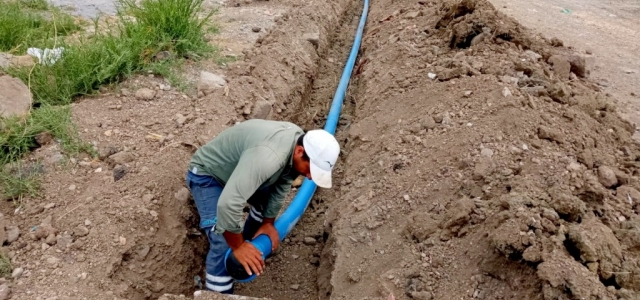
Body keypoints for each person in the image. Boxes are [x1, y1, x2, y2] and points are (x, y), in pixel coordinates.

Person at [185, 119, 340, 294]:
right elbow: (228, 204)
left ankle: (251, 246)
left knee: (264, 205)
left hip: (239, 172)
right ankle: (218, 295)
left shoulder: (296, 140)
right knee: (222, 240)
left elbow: (282, 183)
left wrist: (268, 222)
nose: (311, 177)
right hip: (209, 175)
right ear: (299, 151)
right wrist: (237, 246)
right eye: (311, 169)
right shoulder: (269, 158)